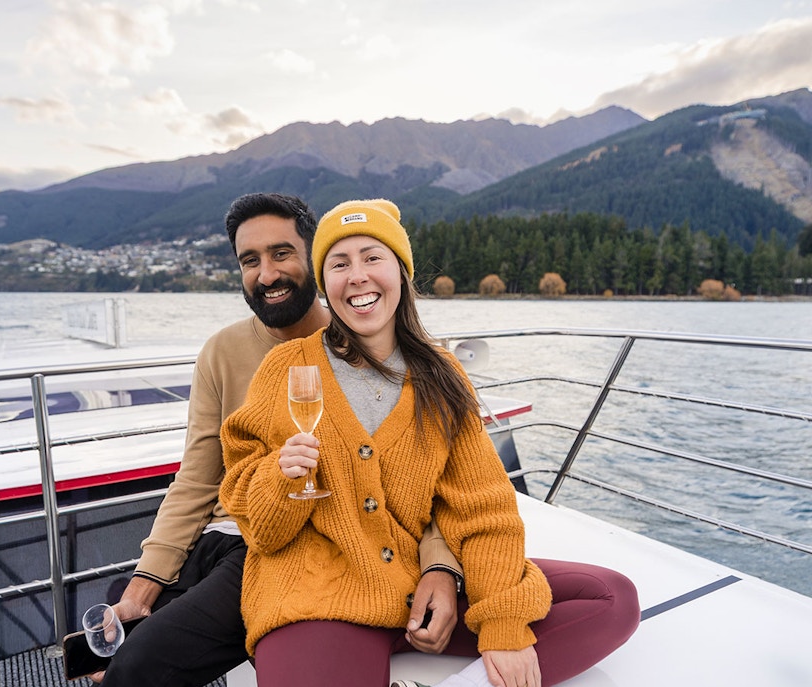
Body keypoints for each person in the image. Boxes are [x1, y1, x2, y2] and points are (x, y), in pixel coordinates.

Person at [220, 199, 640, 687]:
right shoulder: (286, 368)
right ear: (326, 285)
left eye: (372, 257)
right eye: (339, 264)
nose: (357, 276)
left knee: (611, 598)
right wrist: (280, 477)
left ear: (401, 271)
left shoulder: (442, 374)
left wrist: (495, 618)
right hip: (320, 601)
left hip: (419, 589)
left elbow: (482, 508)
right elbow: (259, 527)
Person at [98, 193, 463, 687]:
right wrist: (146, 584)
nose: (266, 274)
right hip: (218, 531)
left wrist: (439, 566)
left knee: (137, 666)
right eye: (250, 261)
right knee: (112, 626)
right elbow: (197, 478)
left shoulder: (363, 340)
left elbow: (433, 481)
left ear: (314, 258)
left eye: (281, 253)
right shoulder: (222, 351)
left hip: (274, 543)